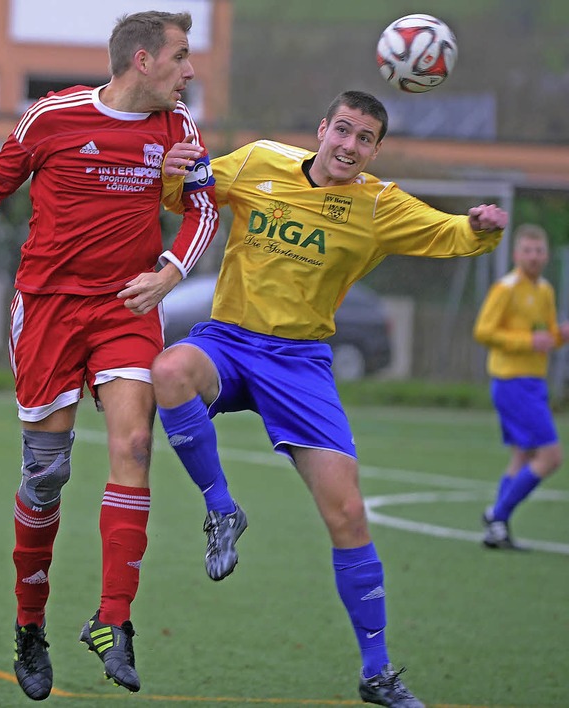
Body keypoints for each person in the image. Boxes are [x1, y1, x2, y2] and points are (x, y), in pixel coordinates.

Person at [152, 90, 508, 707]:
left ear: (375, 150)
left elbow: (451, 234)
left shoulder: (379, 205)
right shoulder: (259, 161)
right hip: (229, 341)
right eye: (342, 130)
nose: (349, 145)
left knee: (347, 515)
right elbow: (190, 192)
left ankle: (377, 672)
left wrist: (477, 228)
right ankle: (221, 507)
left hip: (300, 364)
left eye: (364, 138)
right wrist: (171, 172)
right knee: (170, 370)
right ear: (321, 129)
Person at [0, 10, 218, 701]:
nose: (190, 71)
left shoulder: (180, 130)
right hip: (49, 313)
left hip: (125, 310)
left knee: (135, 443)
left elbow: (203, 209)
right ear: (142, 61)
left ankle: (113, 619)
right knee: (46, 479)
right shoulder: (50, 117)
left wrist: (170, 272)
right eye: (181, 57)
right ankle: (31, 625)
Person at [474, 223, 569, 550]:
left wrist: (560, 336)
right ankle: (497, 514)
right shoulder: (506, 287)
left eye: (539, 250)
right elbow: (483, 331)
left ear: (546, 255)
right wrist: (527, 340)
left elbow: (546, 337)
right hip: (512, 381)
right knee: (551, 457)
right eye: (527, 250)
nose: (534, 256)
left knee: (522, 456)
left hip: (534, 382)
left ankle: (496, 530)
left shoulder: (545, 290)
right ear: (516, 254)